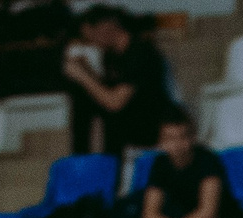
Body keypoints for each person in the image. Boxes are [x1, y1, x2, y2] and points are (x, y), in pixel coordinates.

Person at [62, 4, 171, 152]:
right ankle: (81, 157)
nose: (93, 43)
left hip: (149, 123)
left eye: (92, 36)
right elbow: (102, 92)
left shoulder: (140, 53)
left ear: (107, 27)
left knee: (87, 88)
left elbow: (115, 102)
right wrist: (85, 70)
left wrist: (82, 75)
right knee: (81, 94)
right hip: (127, 120)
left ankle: (106, 160)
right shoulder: (111, 55)